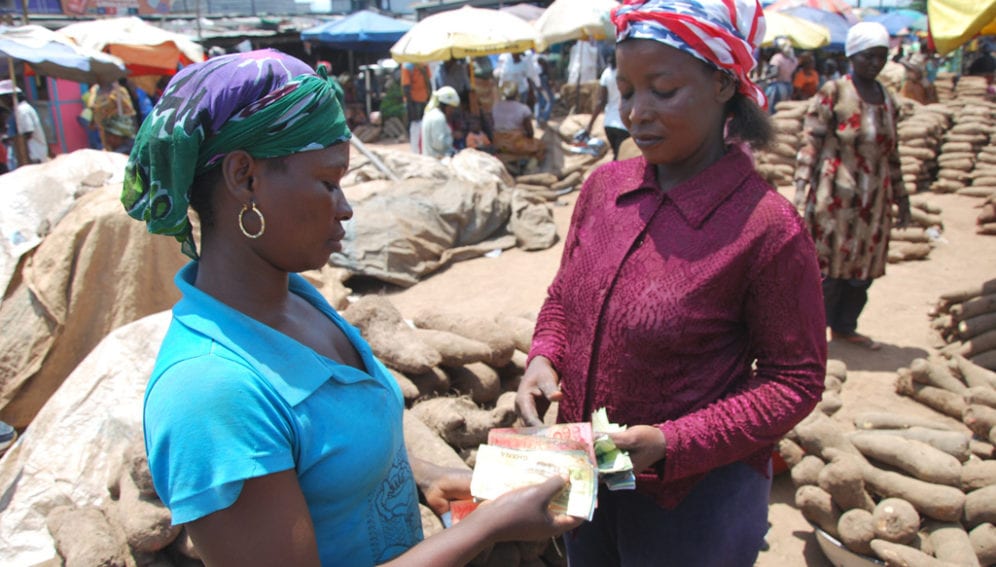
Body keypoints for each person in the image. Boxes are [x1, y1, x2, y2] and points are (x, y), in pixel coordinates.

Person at [122, 49, 580, 567]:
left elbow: (330, 449)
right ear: (244, 177)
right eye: (328, 182)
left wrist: (431, 476)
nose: (346, 206)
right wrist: (486, 528)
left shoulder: (296, 297)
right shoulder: (209, 391)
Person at [515, 0, 827, 565]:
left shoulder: (767, 227)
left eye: (662, 89)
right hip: (586, 478)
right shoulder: (603, 189)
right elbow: (565, 297)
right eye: (627, 90)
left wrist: (672, 444)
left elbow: (795, 381)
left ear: (724, 84)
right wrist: (545, 356)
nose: (636, 113)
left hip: (694, 507)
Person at [794, 22, 912, 351]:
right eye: (869, 56)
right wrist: (801, 190)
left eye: (881, 57)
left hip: (874, 201)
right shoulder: (834, 92)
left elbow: (893, 153)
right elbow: (810, 144)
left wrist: (902, 199)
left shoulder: (887, 98)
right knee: (828, 271)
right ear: (852, 56)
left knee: (863, 272)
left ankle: (846, 327)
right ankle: (813, 332)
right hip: (835, 197)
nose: (876, 63)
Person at [586, 51, 629, 161]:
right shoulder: (627, 73)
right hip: (623, 124)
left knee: (616, 155)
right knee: (623, 158)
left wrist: (590, 124)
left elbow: (601, 101)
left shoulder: (607, 73)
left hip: (609, 123)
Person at [490, 82, 545, 162]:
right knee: (541, 146)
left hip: (499, 143)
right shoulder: (523, 109)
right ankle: (530, 168)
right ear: (516, 93)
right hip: (516, 144)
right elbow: (530, 133)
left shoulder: (495, 107)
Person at [0, 79, 48, 167]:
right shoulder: (17, 110)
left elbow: (27, 133)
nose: (3, 101)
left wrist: (9, 139)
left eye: (3, 98)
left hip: (32, 155)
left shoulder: (23, 110)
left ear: (10, 96)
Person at [86, 77, 137, 152]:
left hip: (117, 132)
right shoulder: (95, 90)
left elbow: (130, 113)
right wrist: (92, 121)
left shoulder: (119, 90)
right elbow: (93, 107)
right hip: (102, 132)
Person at [421, 86, 461, 159]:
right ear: (445, 105)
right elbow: (439, 145)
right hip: (437, 162)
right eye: (451, 107)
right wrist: (452, 136)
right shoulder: (439, 118)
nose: (452, 111)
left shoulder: (431, 114)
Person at [400, 62, 432, 154]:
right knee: (418, 126)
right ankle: (417, 150)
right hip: (417, 100)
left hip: (419, 100)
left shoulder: (410, 65)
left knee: (417, 126)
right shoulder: (419, 64)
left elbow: (406, 86)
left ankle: (418, 150)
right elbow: (406, 86)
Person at [763, 37, 798, 113]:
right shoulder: (794, 59)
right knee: (782, 109)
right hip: (788, 86)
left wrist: (764, 78)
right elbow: (794, 75)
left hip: (777, 87)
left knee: (772, 109)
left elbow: (774, 73)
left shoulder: (777, 58)